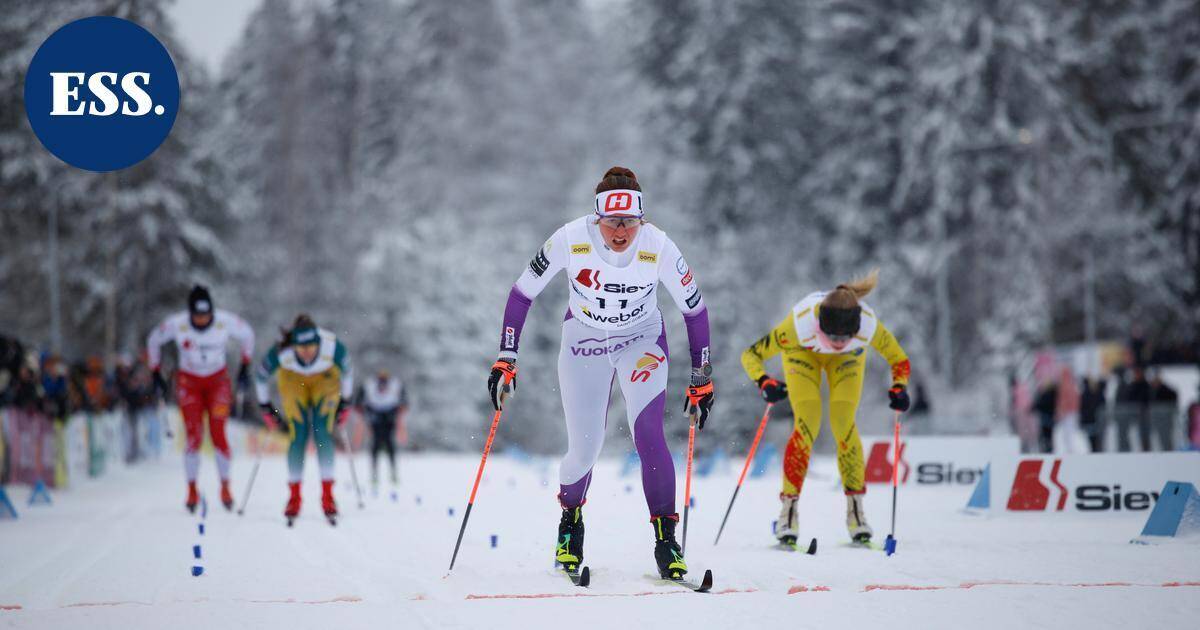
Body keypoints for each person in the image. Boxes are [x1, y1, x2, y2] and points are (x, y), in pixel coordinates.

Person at [489, 166, 713, 580]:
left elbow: (694, 310)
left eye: (629, 221)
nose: (621, 231)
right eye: (612, 221)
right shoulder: (571, 239)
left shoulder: (659, 246)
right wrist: (507, 355)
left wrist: (702, 375)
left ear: (641, 218)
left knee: (648, 434)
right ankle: (570, 524)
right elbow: (522, 293)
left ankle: (667, 541)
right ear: (598, 217)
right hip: (584, 339)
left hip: (641, 338)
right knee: (585, 448)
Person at [740, 269, 910, 546]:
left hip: (846, 362)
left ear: (856, 329)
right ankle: (788, 512)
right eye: (832, 336)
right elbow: (751, 355)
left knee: (843, 421)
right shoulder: (798, 325)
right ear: (820, 324)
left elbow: (899, 359)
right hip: (802, 354)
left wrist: (899, 387)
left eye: (846, 337)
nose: (838, 342)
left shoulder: (868, 325)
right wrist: (764, 381)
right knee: (808, 421)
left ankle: (856, 511)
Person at [147, 285, 255, 512]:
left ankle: (225, 487)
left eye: (206, 315)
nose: (202, 320)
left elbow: (248, 334)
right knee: (194, 435)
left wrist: (246, 364)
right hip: (190, 382)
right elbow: (153, 340)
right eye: (198, 316)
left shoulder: (224, 321)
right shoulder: (178, 324)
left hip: (217, 382)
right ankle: (192, 490)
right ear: (190, 313)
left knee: (218, 433)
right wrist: (155, 371)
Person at [255, 315, 354, 524]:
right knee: (298, 434)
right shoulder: (282, 351)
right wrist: (266, 408)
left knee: (322, 431)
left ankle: (328, 496)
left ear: (318, 343)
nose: (307, 353)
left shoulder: (332, 346)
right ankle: (294, 497)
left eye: (311, 347)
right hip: (293, 380)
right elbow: (261, 377)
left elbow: (348, 373)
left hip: (325, 379)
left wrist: (345, 402)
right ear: (294, 345)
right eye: (302, 348)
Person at [358, 368, 407, 490]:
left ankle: (393, 471)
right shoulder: (370, 384)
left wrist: (400, 408)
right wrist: (363, 409)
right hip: (375, 415)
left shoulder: (395, 383)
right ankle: (374, 472)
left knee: (390, 443)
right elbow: (359, 398)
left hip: (390, 415)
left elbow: (404, 399)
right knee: (375, 443)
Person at [1079, 376, 1106, 453]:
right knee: (1091, 442)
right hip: (1089, 421)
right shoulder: (1085, 394)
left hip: (1098, 422)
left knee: (1099, 441)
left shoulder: (1100, 394)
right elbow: (1082, 408)